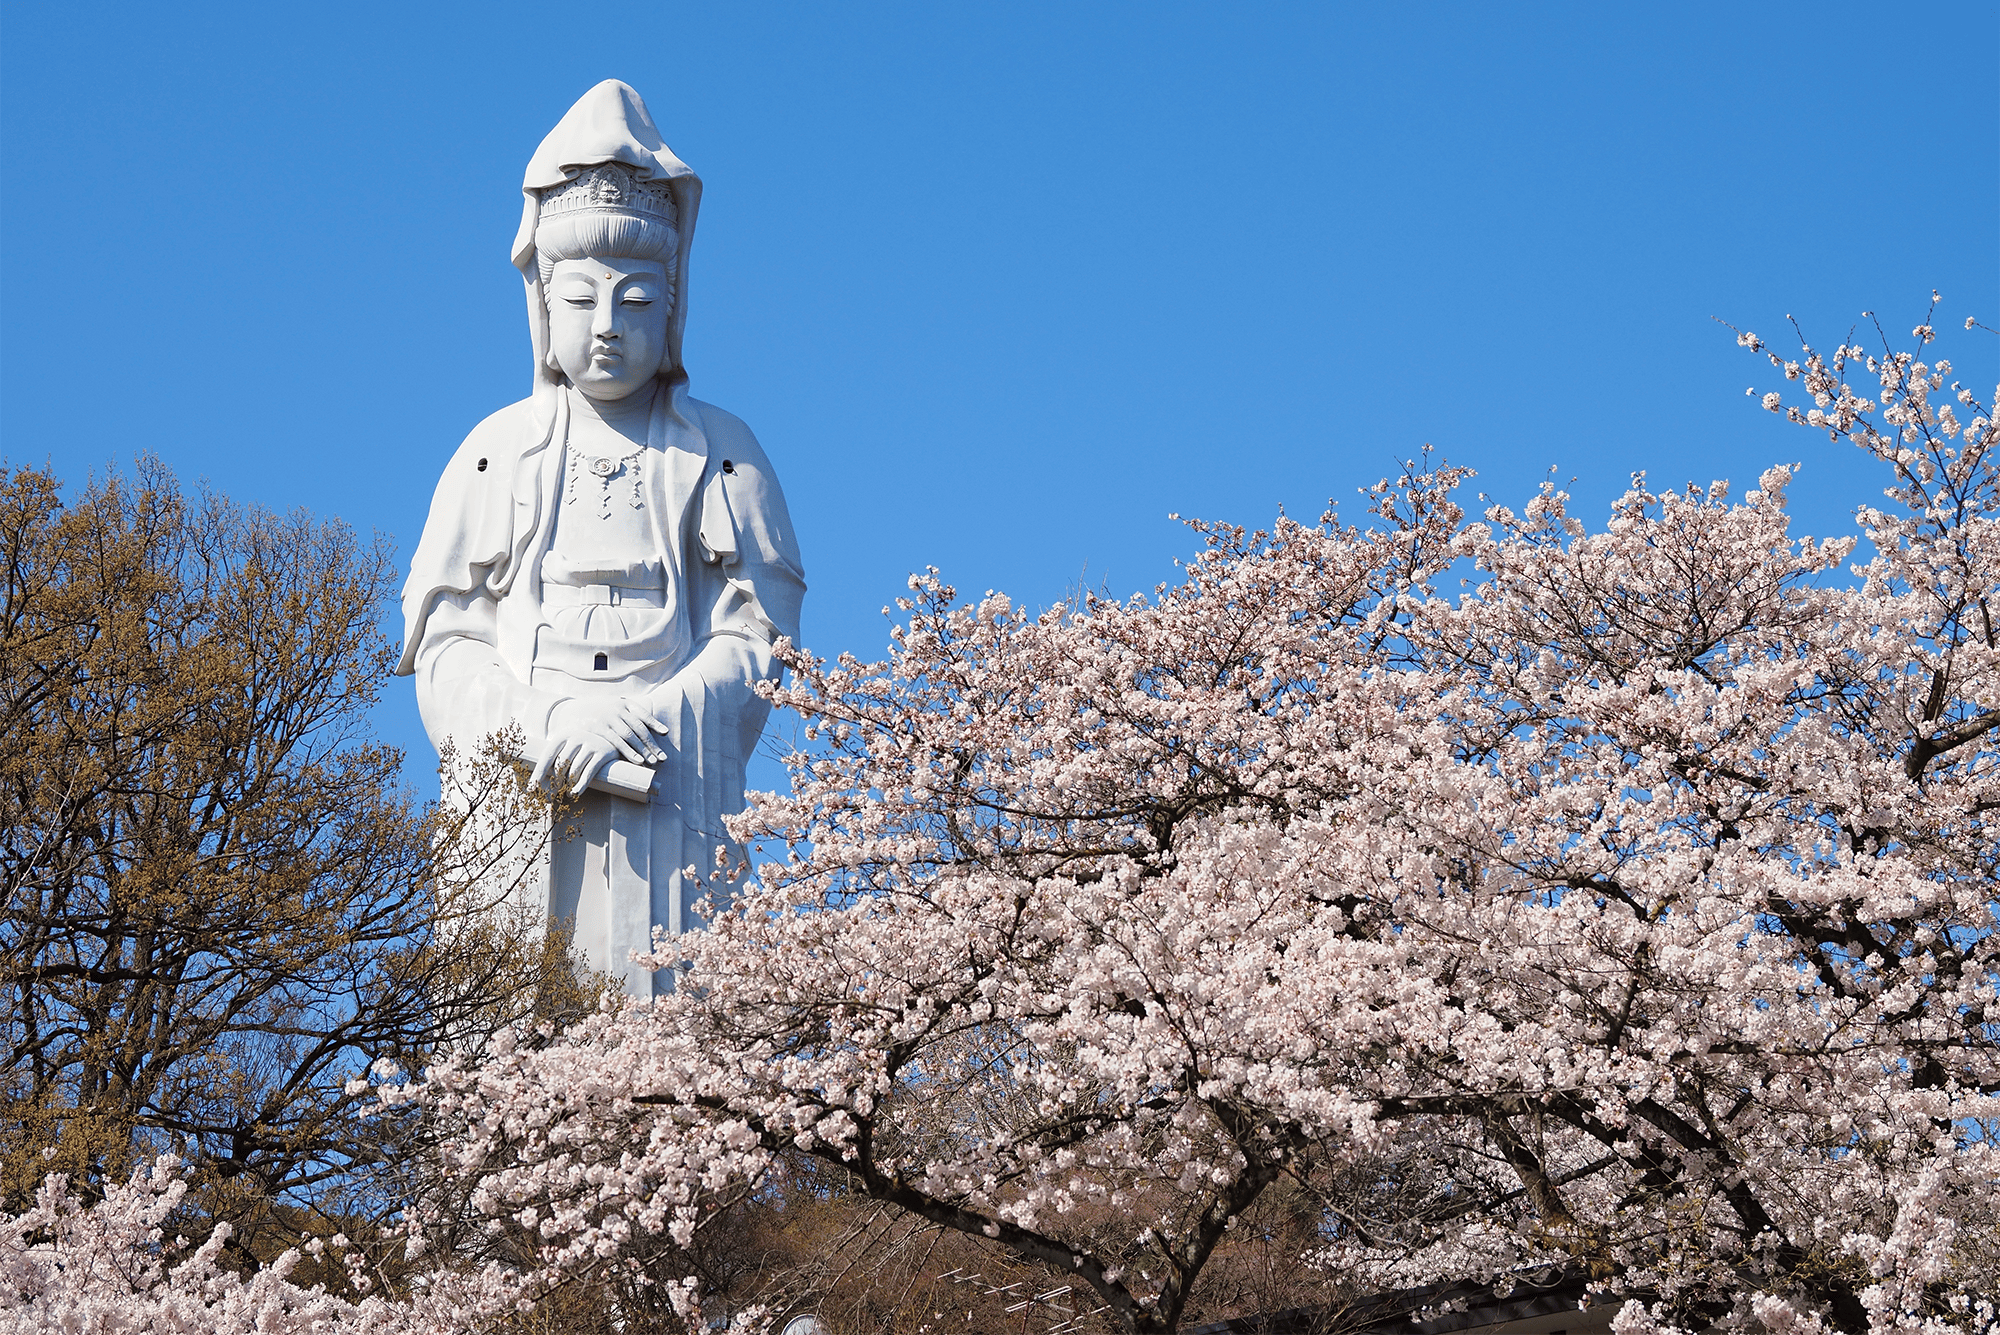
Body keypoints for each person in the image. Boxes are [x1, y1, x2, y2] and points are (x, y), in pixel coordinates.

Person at [398, 80, 806, 996]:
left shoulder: (721, 450)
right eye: (582, 300)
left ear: (673, 305)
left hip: (668, 783)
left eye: (634, 300)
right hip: (523, 777)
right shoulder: (494, 452)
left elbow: (758, 639)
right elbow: (448, 643)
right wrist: (544, 717)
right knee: (500, 1042)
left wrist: (649, 714)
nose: (609, 327)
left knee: (668, 1056)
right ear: (545, 305)